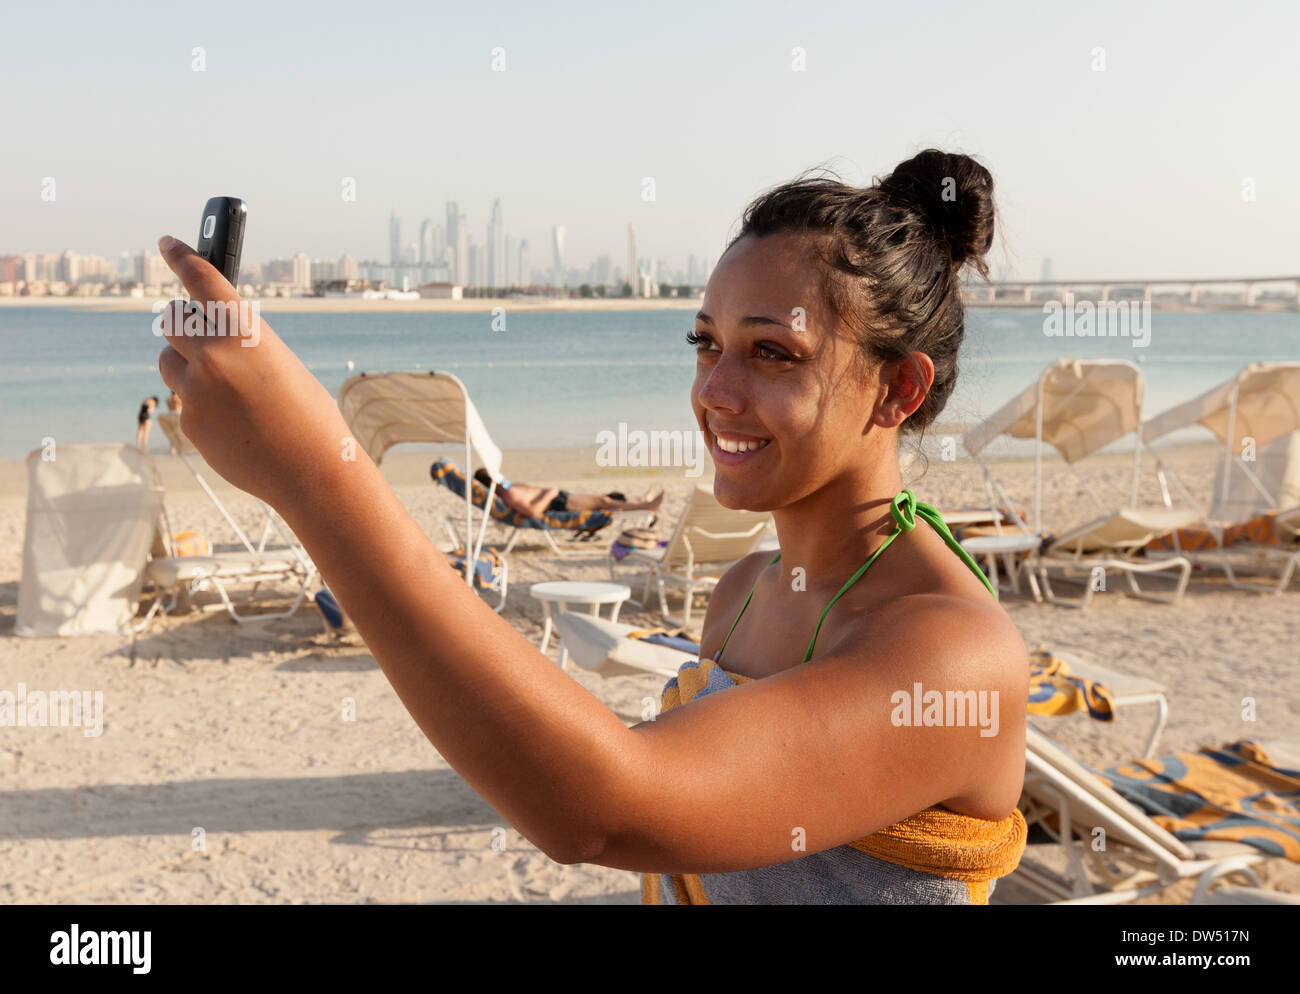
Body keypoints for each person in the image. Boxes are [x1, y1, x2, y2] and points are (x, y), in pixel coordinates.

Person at [152, 148, 1029, 904]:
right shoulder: (742, 597)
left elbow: (604, 810)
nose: (715, 391)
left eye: (772, 352)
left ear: (899, 389)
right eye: (705, 342)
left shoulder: (952, 656)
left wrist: (314, 475)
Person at [470, 467, 664, 519]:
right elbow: (532, 512)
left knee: (606, 499)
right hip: (558, 504)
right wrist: (549, 494)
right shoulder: (508, 495)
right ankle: (646, 506)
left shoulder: (506, 489)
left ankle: (640, 501)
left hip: (559, 499)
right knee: (604, 501)